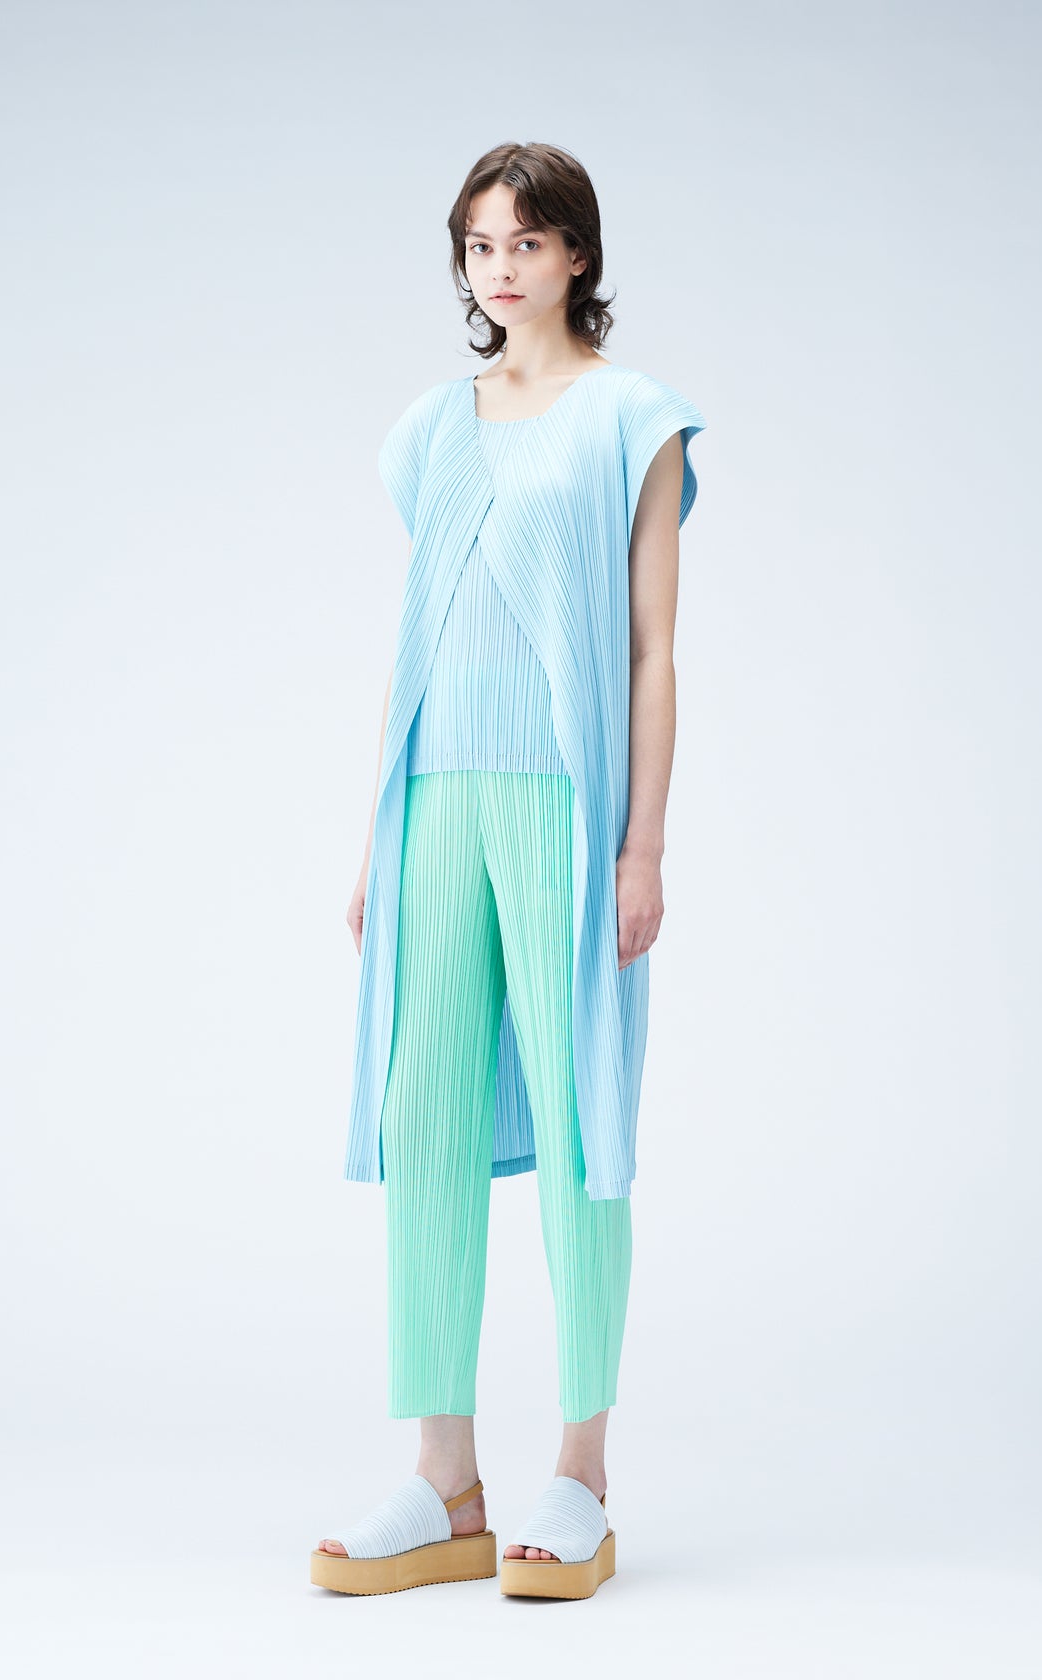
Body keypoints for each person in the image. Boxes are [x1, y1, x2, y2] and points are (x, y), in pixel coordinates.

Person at [310, 141, 707, 1600]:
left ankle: (581, 1472)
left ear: (576, 254)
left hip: (563, 807)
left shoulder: (633, 422)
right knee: (426, 1115)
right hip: (434, 800)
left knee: (584, 1117)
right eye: (481, 245)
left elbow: (653, 652)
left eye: (527, 242)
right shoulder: (432, 428)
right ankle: (445, 1478)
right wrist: (379, 832)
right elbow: (419, 638)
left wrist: (641, 844)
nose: (501, 269)